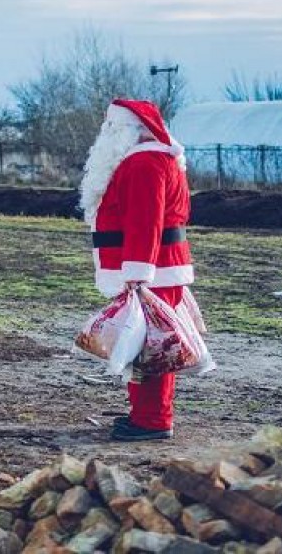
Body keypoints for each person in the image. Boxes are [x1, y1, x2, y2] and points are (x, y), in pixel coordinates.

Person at [79, 99, 195, 442]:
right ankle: (146, 414)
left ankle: (153, 420)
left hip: (150, 272)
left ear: (130, 131)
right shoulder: (153, 159)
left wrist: (136, 274)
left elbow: (146, 222)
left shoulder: (145, 163)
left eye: (112, 128)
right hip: (155, 270)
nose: (106, 134)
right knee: (147, 342)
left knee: (152, 346)